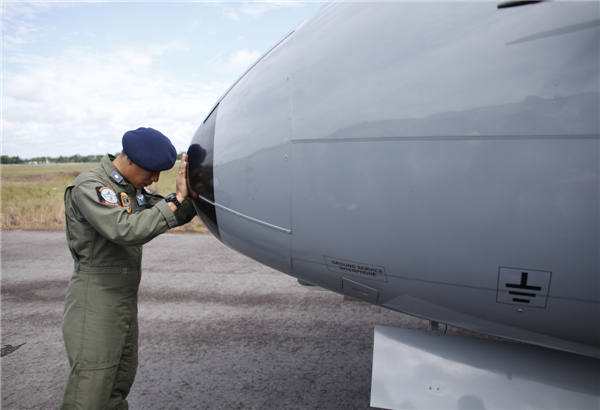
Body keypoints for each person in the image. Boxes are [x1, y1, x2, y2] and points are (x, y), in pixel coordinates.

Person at [60, 127, 196, 410]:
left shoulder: (130, 188)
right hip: (95, 299)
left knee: (118, 381)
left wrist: (196, 193)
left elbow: (169, 209)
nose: (156, 179)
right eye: (152, 171)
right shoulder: (92, 186)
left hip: (121, 299)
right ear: (131, 160)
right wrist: (175, 200)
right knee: (92, 388)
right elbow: (124, 229)